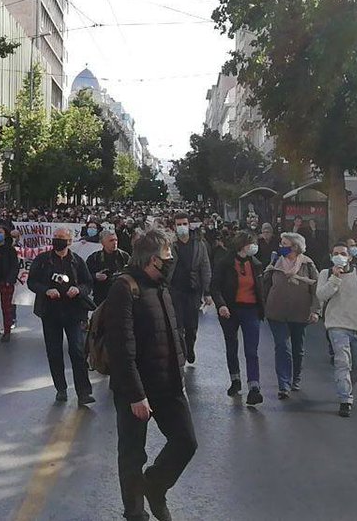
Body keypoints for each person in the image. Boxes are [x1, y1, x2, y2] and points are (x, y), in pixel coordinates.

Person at [104, 228, 197, 521]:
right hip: (137, 389)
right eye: (167, 255)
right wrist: (135, 394)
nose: (171, 260)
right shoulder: (124, 287)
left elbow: (172, 333)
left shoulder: (161, 287)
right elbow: (121, 348)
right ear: (151, 259)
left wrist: (179, 371)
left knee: (185, 441)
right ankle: (135, 513)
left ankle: (155, 486)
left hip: (168, 383)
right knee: (132, 454)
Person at [28, 227, 95, 405]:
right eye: (55, 237)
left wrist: (78, 290)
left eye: (61, 238)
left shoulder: (78, 261)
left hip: (73, 313)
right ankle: (61, 388)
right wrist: (46, 290)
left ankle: (83, 392)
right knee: (54, 352)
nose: (57, 240)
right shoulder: (43, 260)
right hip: (50, 313)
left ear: (70, 241)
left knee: (78, 351)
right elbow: (31, 282)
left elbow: (88, 283)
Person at [314, 241, 357, 417]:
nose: (340, 256)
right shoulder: (325, 273)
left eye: (343, 253)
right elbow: (321, 295)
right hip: (336, 325)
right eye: (336, 253)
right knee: (343, 361)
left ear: (350, 257)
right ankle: (345, 399)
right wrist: (335, 278)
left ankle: (346, 384)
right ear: (331, 257)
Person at [262, 232, 319, 399]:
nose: (281, 246)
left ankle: (296, 378)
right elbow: (265, 284)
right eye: (281, 243)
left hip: (300, 312)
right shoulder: (275, 262)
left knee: (297, 348)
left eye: (284, 243)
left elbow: (316, 288)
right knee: (282, 346)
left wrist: (315, 310)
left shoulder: (307, 264)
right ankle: (284, 384)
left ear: (295, 246)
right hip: (276, 312)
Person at [210, 232, 265, 405]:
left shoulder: (256, 265)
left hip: (251, 310)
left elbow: (261, 289)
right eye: (251, 243)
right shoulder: (225, 263)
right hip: (231, 310)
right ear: (242, 245)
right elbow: (215, 287)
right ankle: (235, 380)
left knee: (251, 350)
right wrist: (221, 305)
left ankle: (254, 387)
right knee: (232, 345)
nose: (254, 247)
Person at [167, 212, 211, 364]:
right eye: (178, 224)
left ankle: (190, 345)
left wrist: (207, 292)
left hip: (193, 289)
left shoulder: (199, 245)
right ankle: (182, 352)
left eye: (184, 224)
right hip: (175, 289)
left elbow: (205, 267)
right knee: (177, 325)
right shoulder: (170, 244)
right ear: (174, 226)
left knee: (191, 326)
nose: (181, 227)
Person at [87, 228, 131, 308]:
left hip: (122, 296)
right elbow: (85, 276)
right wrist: (95, 276)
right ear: (103, 243)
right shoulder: (94, 258)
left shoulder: (124, 256)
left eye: (116, 240)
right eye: (111, 241)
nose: (115, 243)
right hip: (102, 297)